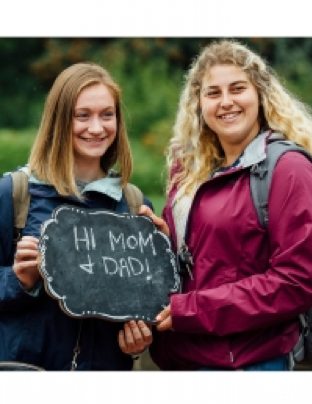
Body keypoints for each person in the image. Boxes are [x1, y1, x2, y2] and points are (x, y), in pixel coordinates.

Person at [147, 39, 312, 370]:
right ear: (199, 104)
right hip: (181, 357)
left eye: (237, 89)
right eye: (213, 93)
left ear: (260, 95)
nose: (226, 102)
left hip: (249, 363)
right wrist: (161, 240)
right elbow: (205, 259)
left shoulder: (288, 168)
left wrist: (189, 311)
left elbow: (296, 282)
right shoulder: (190, 169)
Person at [0, 62, 153, 370]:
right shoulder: (14, 194)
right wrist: (20, 282)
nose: (96, 128)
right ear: (59, 120)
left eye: (106, 114)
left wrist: (142, 334)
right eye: (82, 115)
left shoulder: (134, 205)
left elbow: (148, 305)